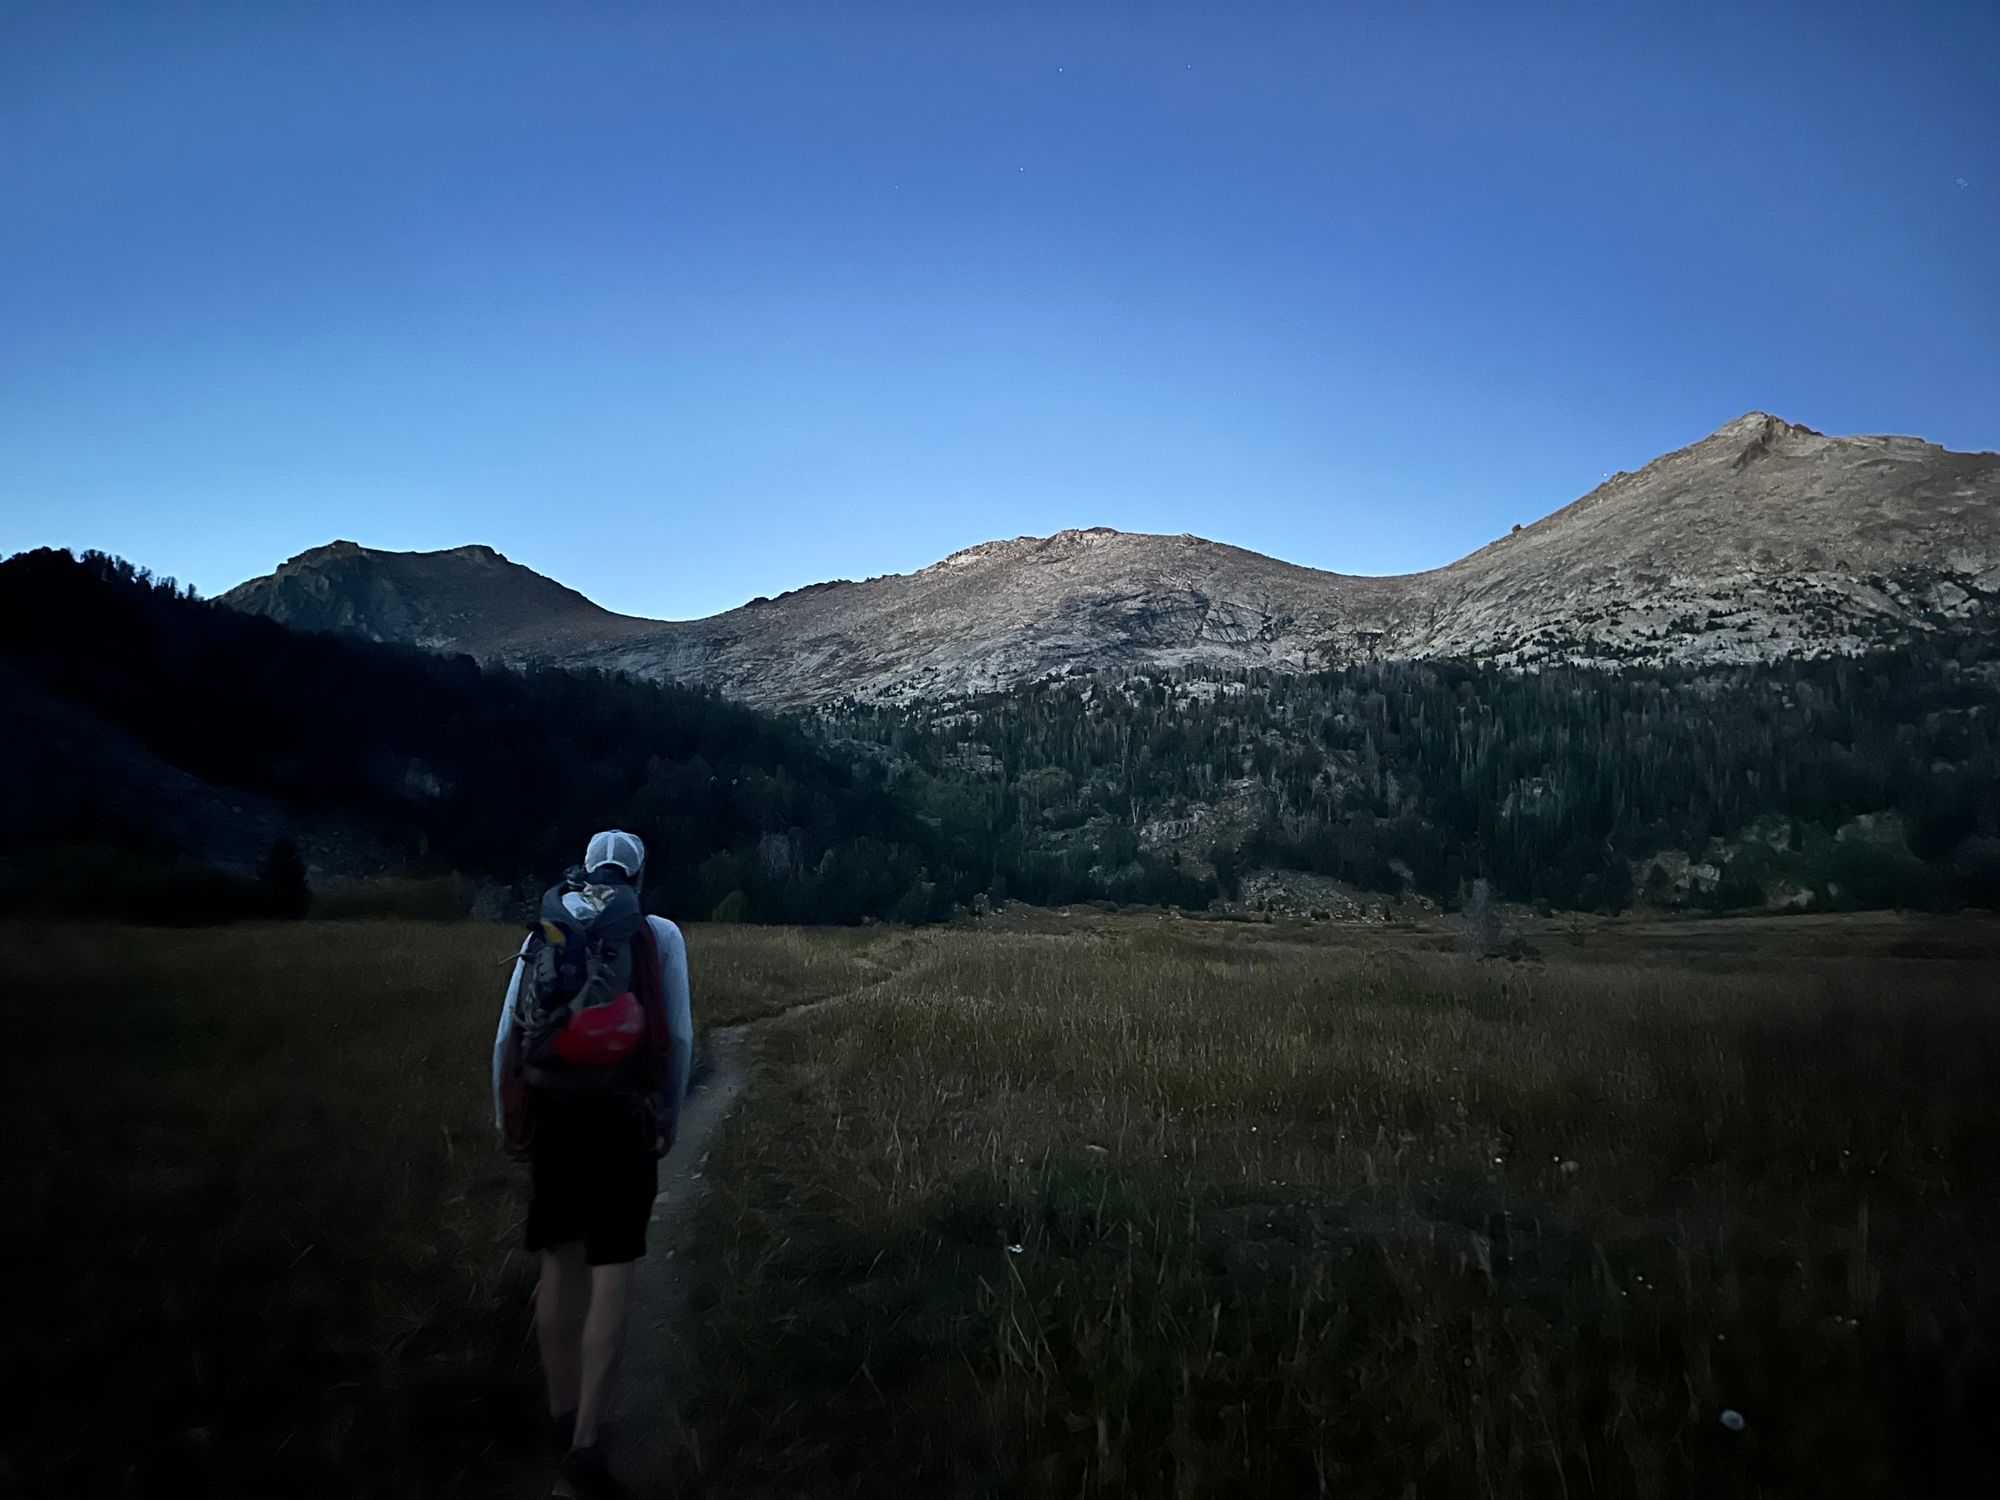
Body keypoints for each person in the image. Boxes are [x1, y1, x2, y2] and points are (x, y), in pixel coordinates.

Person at [492, 829, 693, 1499]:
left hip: (553, 1113)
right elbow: (682, 1036)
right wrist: (667, 1112)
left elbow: (507, 1035)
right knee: (612, 1270)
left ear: (586, 868)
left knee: (558, 1258)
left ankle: (559, 1412)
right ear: (639, 877)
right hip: (621, 1116)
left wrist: (510, 1120)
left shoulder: (551, 921)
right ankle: (585, 1451)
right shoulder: (655, 932)